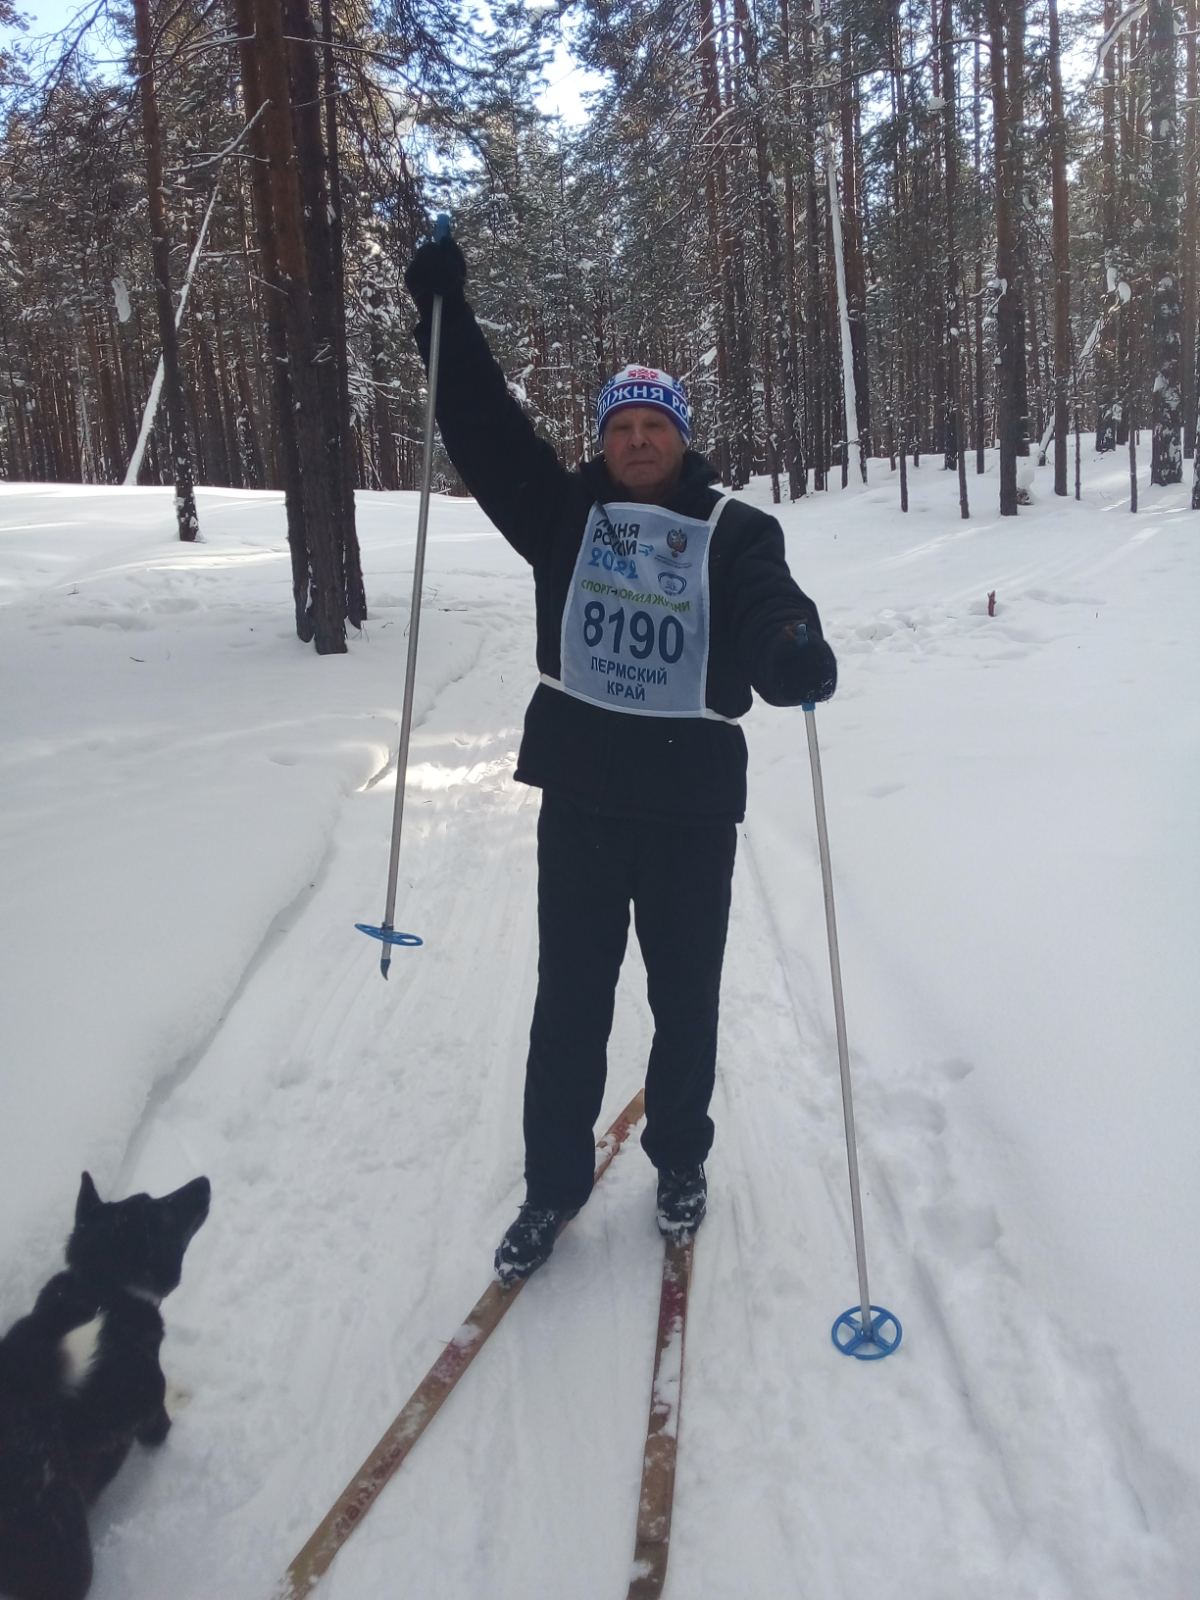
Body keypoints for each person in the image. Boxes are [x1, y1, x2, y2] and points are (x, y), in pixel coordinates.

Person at [405, 234, 837, 1286]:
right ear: (603, 441)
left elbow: (766, 604)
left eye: (655, 426)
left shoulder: (735, 531)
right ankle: (553, 1186)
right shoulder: (565, 514)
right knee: (570, 1005)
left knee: (685, 1004)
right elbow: (485, 429)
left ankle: (680, 1160)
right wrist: (444, 317)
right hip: (585, 804)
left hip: (690, 810)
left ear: (682, 438)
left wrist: (790, 647)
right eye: (621, 427)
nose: (638, 440)